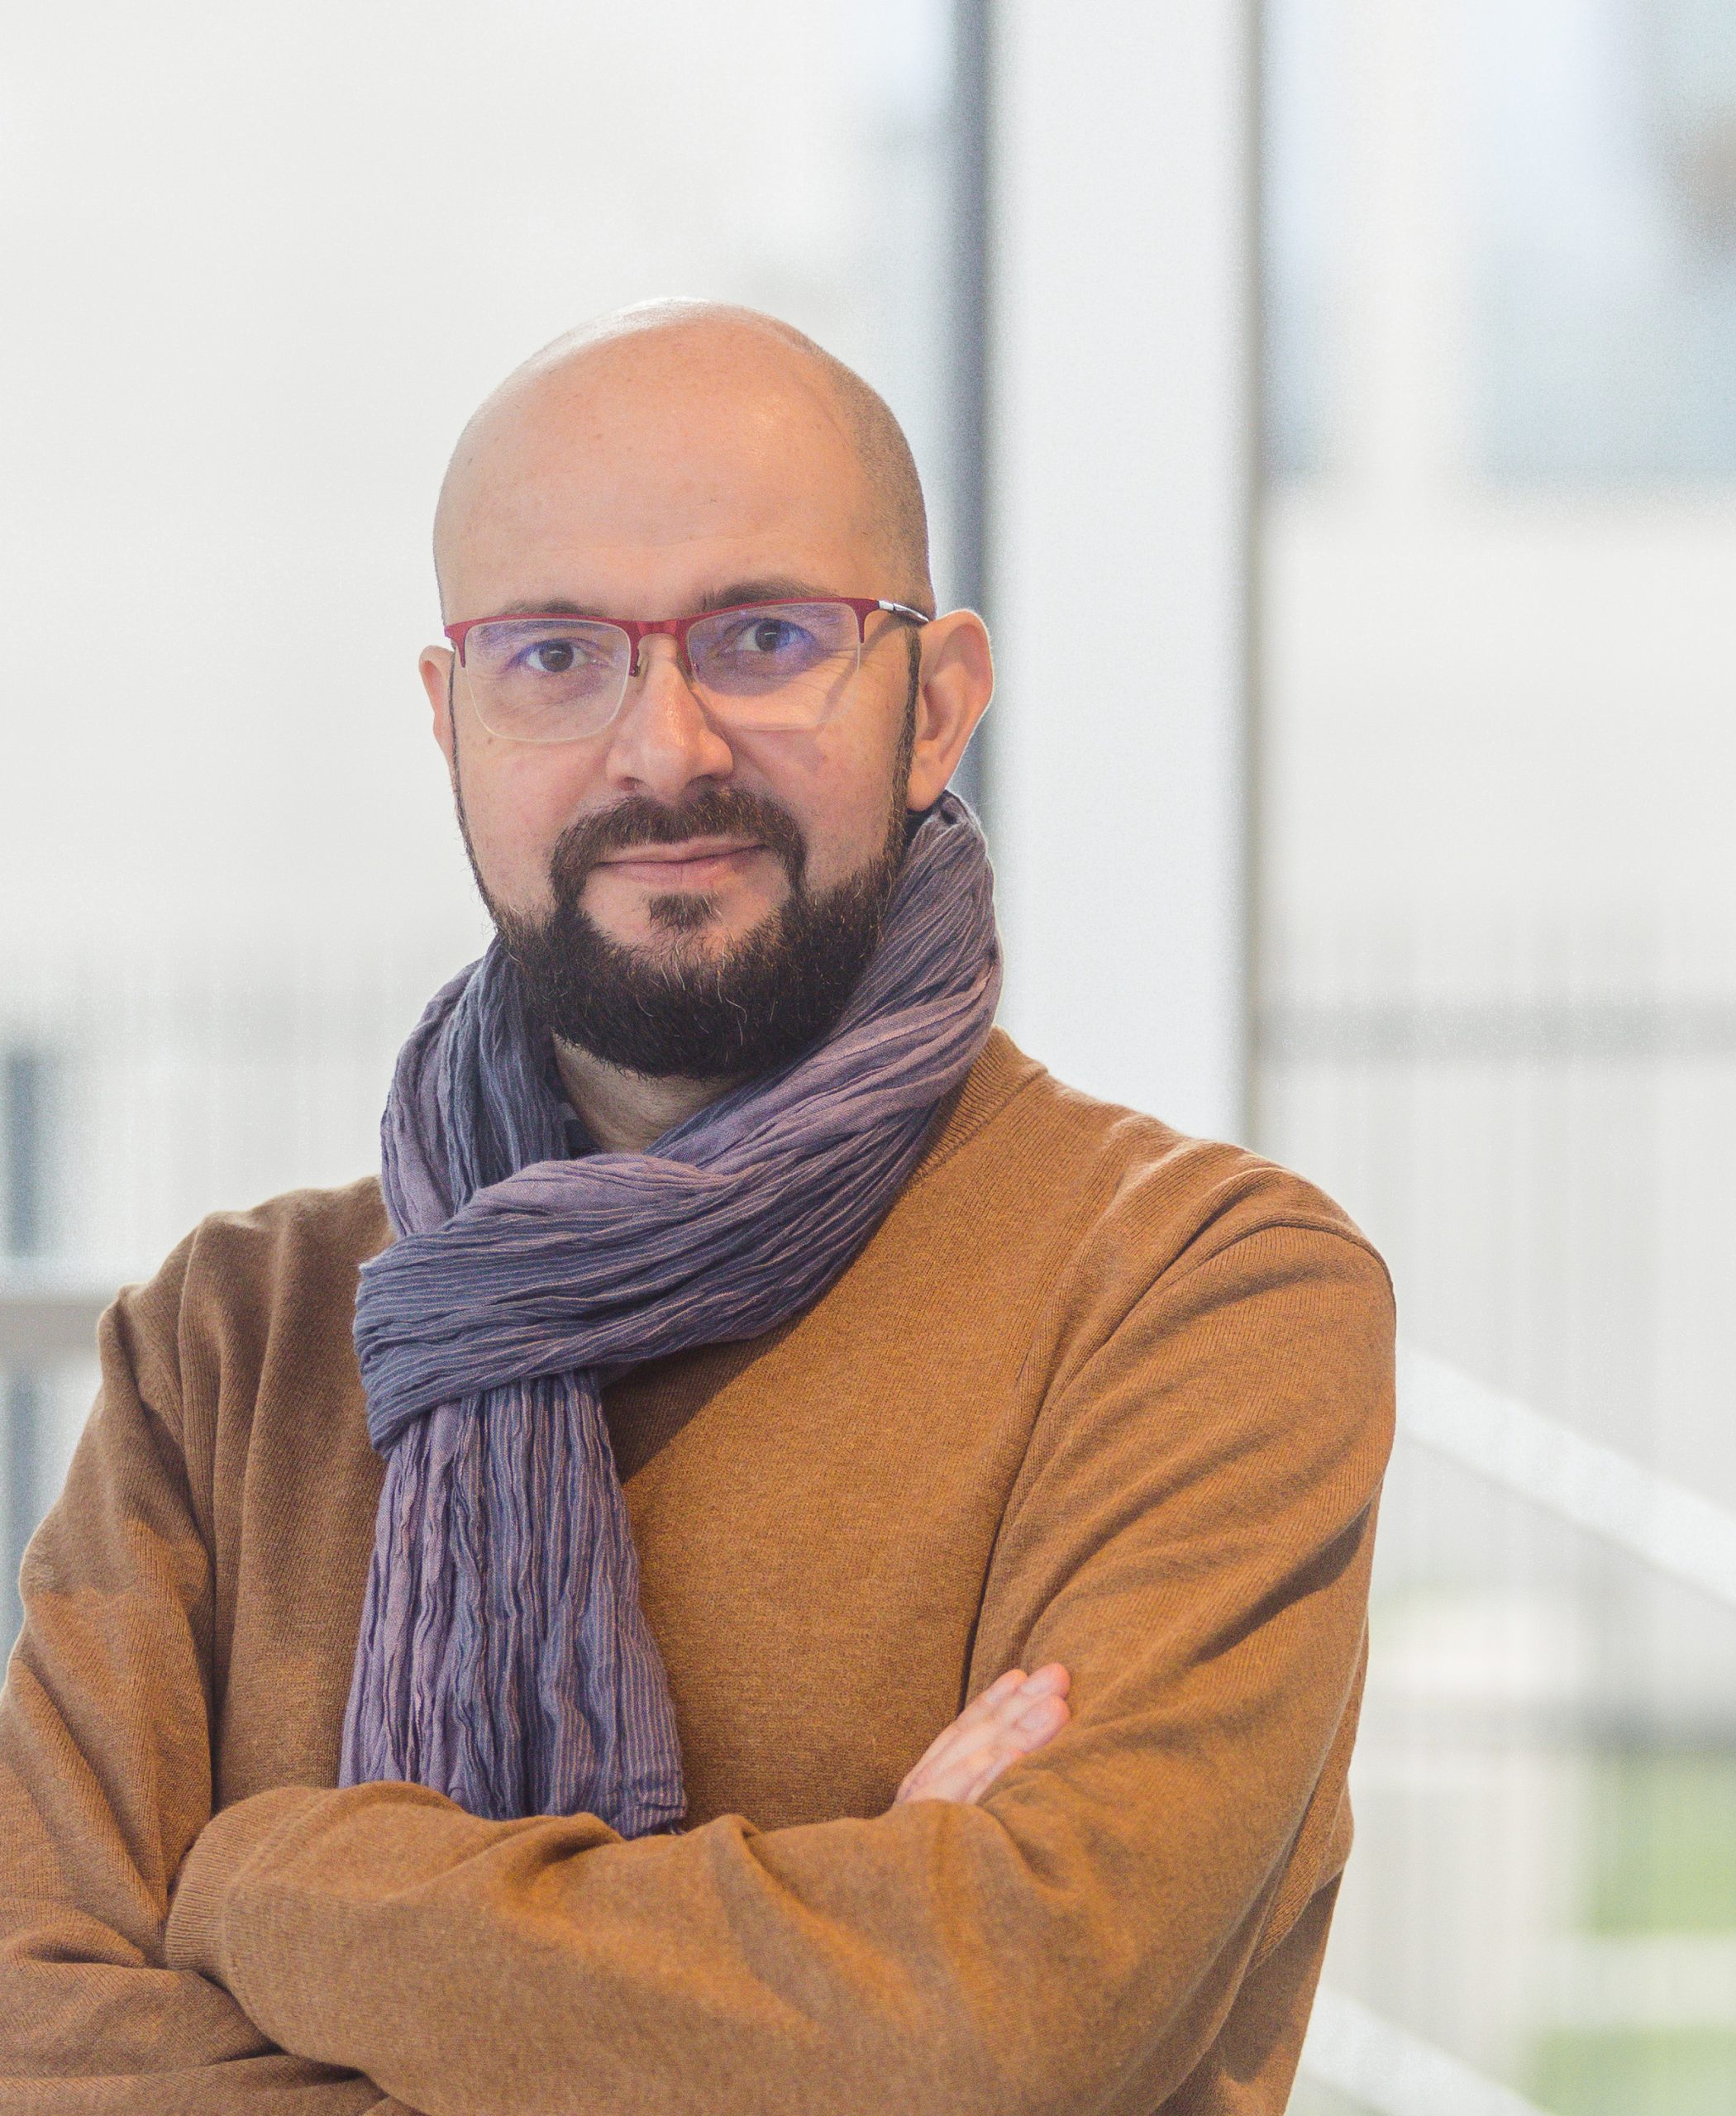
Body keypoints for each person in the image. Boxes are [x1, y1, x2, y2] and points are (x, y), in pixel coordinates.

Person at [0, 303, 1393, 2114]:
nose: (661, 749)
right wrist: (807, 1986)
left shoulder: (1202, 1295)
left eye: (764, 637)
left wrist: (281, 1882)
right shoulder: (230, 1344)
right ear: (450, 718)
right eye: (552, 654)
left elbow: (988, 2028)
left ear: (934, 703)